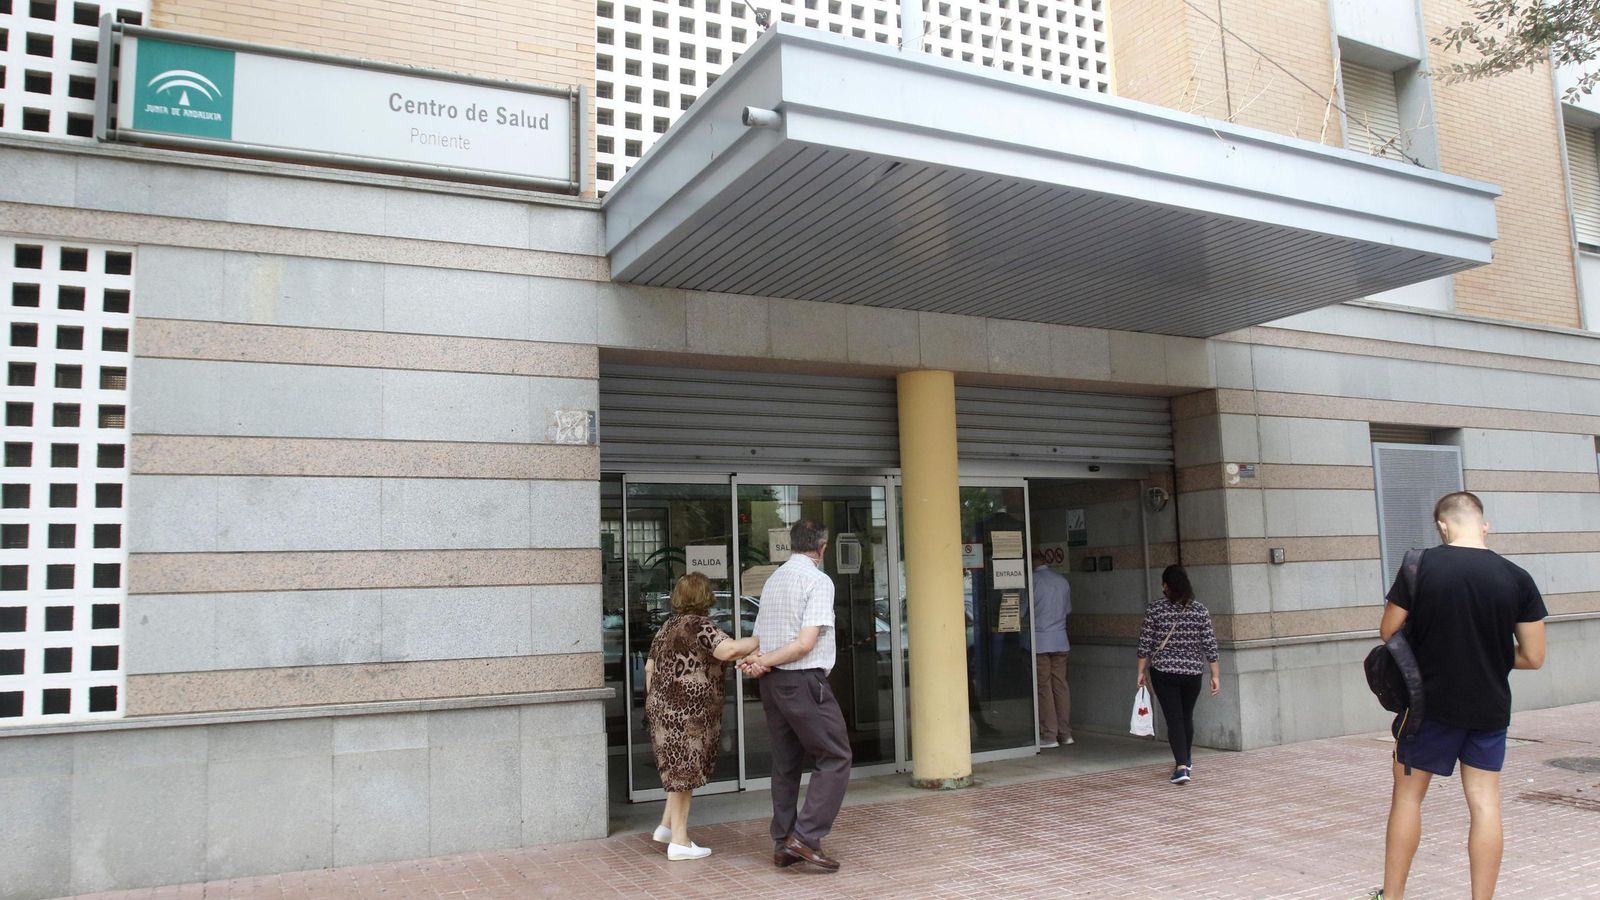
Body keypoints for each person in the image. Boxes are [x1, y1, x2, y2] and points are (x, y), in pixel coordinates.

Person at [1372, 492, 1546, 900]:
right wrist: (1491, 653)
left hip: (1427, 708)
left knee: (1408, 799)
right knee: (1485, 803)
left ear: (1443, 526)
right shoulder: (1517, 577)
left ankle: (1391, 897)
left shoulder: (1420, 566)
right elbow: (1533, 656)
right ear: (1484, 526)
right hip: (1488, 707)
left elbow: (1388, 631)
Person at [739, 519, 850, 872]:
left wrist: (756, 662)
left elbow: (760, 638)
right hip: (803, 682)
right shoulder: (817, 580)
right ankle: (805, 837)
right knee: (835, 756)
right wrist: (764, 660)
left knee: (785, 763)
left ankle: (783, 842)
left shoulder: (774, 579)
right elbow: (804, 644)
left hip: (772, 685)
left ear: (791, 544)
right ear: (822, 547)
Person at [643, 572, 759, 861]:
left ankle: (667, 827)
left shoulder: (666, 627)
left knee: (676, 769)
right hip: (689, 714)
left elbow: (649, 669)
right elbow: (729, 650)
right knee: (685, 773)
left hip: (662, 710)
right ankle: (680, 842)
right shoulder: (699, 626)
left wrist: (658, 702)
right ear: (704, 596)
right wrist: (760, 638)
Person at [1134, 564, 1220, 785]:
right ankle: (1186, 758)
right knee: (1186, 716)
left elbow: (1145, 643)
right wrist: (1215, 675)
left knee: (1174, 719)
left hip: (1164, 672)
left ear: (1166, 586)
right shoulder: (1199, 610)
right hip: (1192, 673)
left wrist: (1140, 671)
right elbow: (1210, 645)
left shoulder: (1155, 609)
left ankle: (1181, 767)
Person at [1028, 547, 1073, 748]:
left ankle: (1049, 734)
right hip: (1061, 639)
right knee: (1060, 685)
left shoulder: (1032, 581)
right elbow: (1068, 609)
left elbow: (1022, 610)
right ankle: (1065, 733)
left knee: (1043, 687)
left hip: (1040, 640)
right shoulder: (1062, 580)